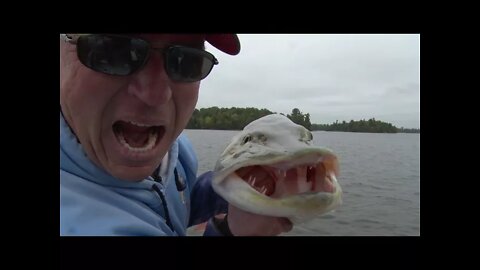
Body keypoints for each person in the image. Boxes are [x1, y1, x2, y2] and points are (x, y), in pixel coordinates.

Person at [60, 34, 293, 236]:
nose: (156, 95)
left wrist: (234, 185)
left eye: (186, 61)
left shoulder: (175, 152)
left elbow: (179, 199)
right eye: (115, 51)